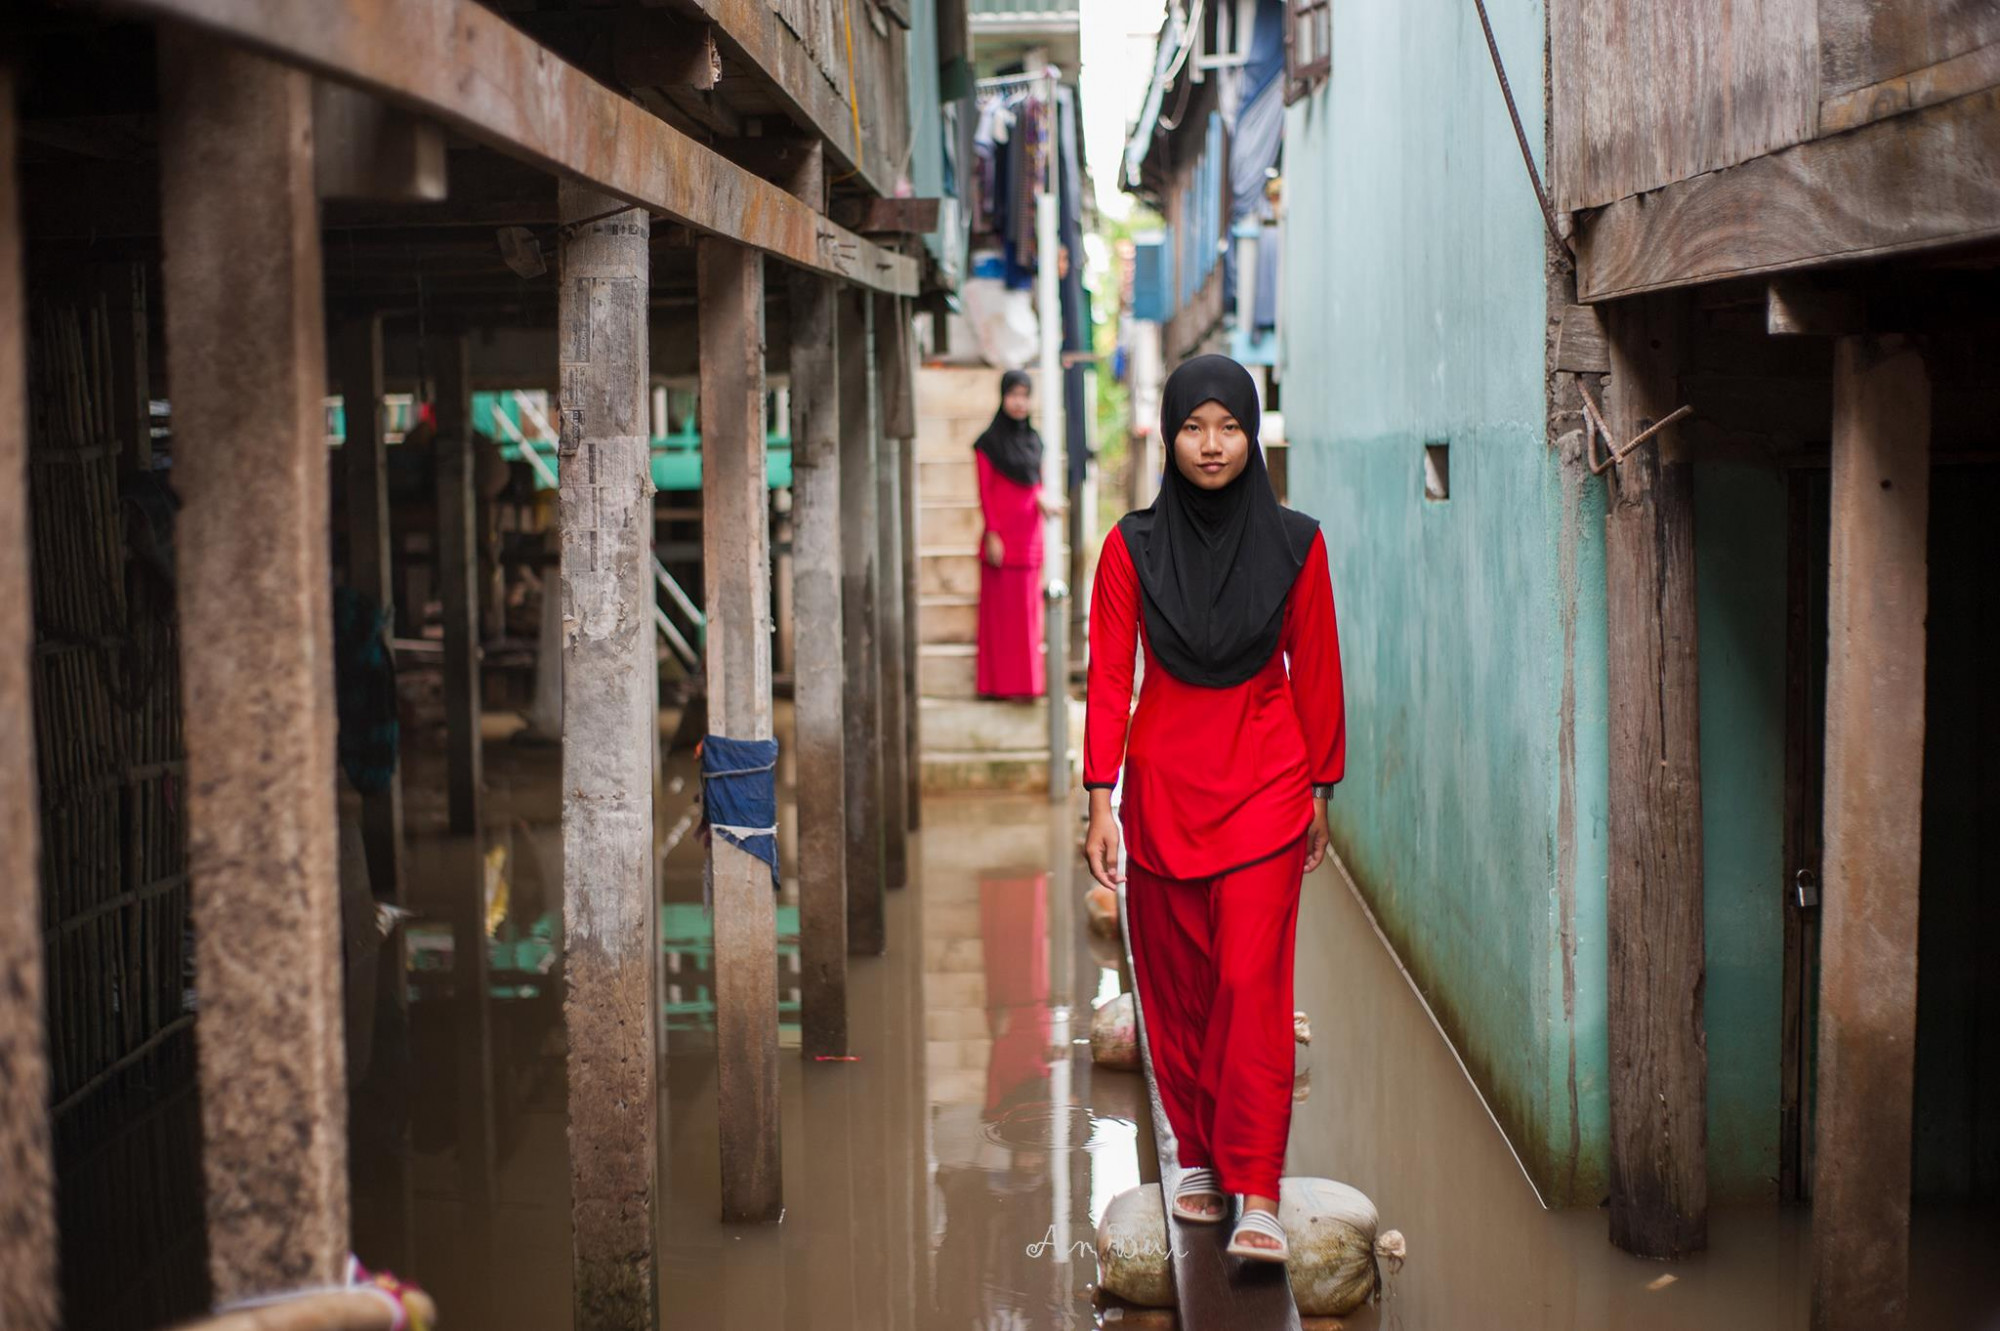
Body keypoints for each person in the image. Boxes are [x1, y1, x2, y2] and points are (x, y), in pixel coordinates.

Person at [1081, 354, 1345, 1264]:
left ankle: (1259, 1185)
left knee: (1250, 982)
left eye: (1229, 426)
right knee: (1180, 987)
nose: (1212, 444)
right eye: (1194, 426)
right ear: (1168, 434)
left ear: (1252, 433)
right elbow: (1111, 675)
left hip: (1268, 782)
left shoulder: (1298, 544)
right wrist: (1097, 799)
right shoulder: (1130, 547)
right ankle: (1195, 1158)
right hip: (1160, 789)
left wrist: (1322, 786)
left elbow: (1314, 666)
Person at [972, 370, 1062, 699]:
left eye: (1025, 395)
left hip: (1030, 537)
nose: (1019, 402)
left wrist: (1046, 502)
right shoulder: (987, 443)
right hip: (1002, 538)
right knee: (1000, 618)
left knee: (1027, 615)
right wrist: (993, 533)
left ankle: (1028, 686)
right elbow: (985, 490)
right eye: (1014, 394)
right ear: (1003, 397)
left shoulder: (1035, 441)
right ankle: (996, 686)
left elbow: (1034, 484)